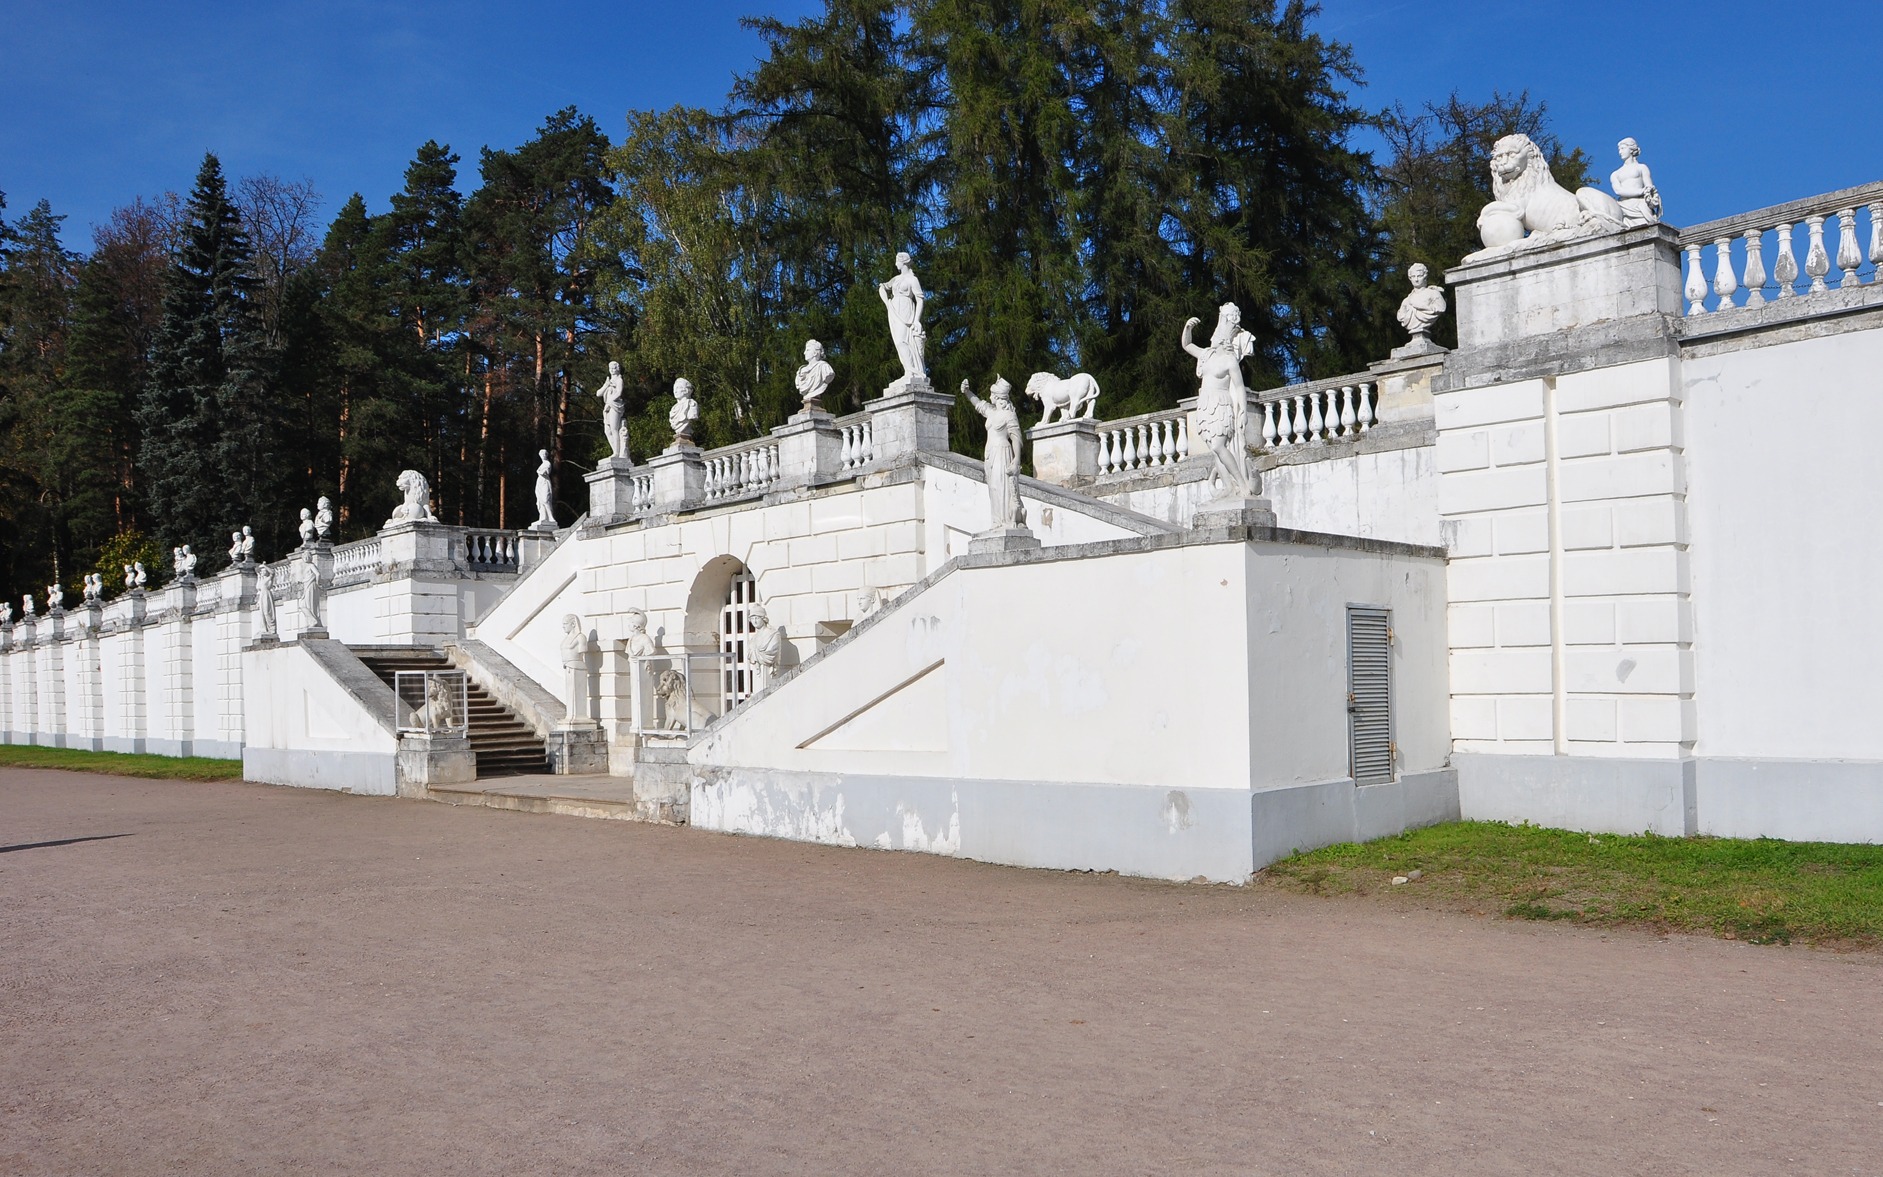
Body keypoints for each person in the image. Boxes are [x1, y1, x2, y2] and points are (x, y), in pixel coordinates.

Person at [1181, 304, 1259, 500]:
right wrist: (1188, 328)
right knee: (1215, 452)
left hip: (1221, 404)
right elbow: (1187, 345)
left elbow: (1240, 387)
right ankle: (1228, 488)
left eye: (1220, 338)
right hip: (1206, 404)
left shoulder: (1229, 361)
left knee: (1218, 446)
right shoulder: (1206, 355)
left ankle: (1242, 485)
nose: (1215, 339)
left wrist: (1242, 413)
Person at [959, 377, 1026, 531]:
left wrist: (1016, 460)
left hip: (1003, 453)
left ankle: (1006, 521)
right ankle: (997, 521)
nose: (989, 397)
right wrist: (967, 392)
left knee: (1003, 487)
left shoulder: (1009, 415)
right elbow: (978, 404)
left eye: (991, 395)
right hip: (990, 455)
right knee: (994, 488)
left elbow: (1016, 438)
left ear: (998, 397)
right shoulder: (992, 412)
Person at [877, 252, 926, 390]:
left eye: (897, 261)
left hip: (906, 309)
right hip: (894, 311)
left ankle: (913, 371)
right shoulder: (896, 279)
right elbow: (882, 287)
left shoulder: (912, 279)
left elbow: (920, 299)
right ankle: (908, 370)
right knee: (899, 341)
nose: (895, 264)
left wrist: (917, 320)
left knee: (905, 340)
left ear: (903, 262)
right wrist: (887, 303)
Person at [1610, 137, 1661, 227]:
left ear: (1631, 149)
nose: (1620, 152)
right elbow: (1618, 191)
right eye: (1619, 149)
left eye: (1623, 148)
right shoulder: (1615, 174)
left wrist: (1650, 196)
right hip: (1623, 206)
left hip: (1640, 205)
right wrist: (1641, 191)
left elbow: (1649, 187)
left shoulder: (1642, 167)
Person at [1395, 263, 1447, 343]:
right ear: (1410, 278)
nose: (1416, 279)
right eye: (1413, 277)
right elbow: (1401, 316)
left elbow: (1441, 308)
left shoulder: (1433, 293)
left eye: (1419, 276)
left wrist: (1422, 307)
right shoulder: (1406, 301)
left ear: (1425, 276)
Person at [596, 360, 630, 461]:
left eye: (614, 368)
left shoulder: (619, 380)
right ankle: (615, 450)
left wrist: (610, 401)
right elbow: (598, 393)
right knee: (607, 430)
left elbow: (619, 392)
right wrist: (606, 385)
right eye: (610, 368)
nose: (612, 370)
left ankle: (617, 453)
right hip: (608, 407)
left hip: (615, 405)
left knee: (614, 428)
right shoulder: (608, 381)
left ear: (617, 369)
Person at [795, 340, 835, 413]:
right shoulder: (801, 371)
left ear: (815, 352)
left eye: (808, 350)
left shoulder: (824, 367)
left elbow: (829, 375)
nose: (804, 353)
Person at [669, 378, 700, 447]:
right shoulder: (673, 408)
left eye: (678, 388)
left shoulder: (692, 404)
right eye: (674, 389)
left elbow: (693, 416)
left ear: (685, 390)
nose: (675, 391)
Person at [533, 449, 556, 528]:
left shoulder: (547, 463)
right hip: (540, 483)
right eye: (541, 454)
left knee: (546, 499)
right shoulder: (542, 464)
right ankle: (543, 517)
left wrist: (538, 472)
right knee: (540, 501)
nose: (543, 456)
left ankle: (551, 517)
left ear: (546, 455)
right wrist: (539, 472)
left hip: (545, 482)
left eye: (544, 454)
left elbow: (546, 473)